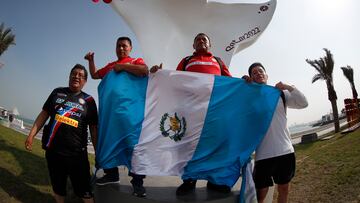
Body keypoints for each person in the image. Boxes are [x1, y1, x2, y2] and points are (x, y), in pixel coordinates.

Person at [151, 33, 232, 196]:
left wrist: (245, 81)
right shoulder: (187, 60)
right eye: (198, 40)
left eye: (204, 40)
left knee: (213, 145)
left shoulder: (218, 61)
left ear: (210, 44)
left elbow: (230, 82)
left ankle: (214, 180)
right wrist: (160, 73)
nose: (201, 41)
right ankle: (189, 180)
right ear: (193, 46)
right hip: (189, 110)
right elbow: (174, 79)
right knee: (188, 145)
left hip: (213, 110)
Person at [84, 36, 148, 197]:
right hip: (110, 116)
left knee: (133, 147)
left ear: (130, 48)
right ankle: (111, 175)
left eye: (124, 46)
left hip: (130, 116)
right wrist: (91, 60)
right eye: (118, 46)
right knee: (107, 142)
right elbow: (94, 75)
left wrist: (124, 66)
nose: (121, 48)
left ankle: (138, 183)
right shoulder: (111, 65)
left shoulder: (135, 60)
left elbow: (144, 71)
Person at [25, 64, 98, 203]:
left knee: (84, 191)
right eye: (74, 73)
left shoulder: (89, 101)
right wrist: (31, 135)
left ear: (85, 81)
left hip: (77, 155)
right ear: (69, 76)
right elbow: (44, 114)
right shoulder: (57, 92)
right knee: (58, 187)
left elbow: (93, 129)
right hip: (54, 152)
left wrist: (97, 152)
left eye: (80, 75)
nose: (76, 76)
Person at [246, 62, 308, 203]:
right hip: (263, 154)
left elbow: (303, 103)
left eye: (260, 71)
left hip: (285, 151)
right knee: (260, 195)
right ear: (251, 77)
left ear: (266, 75)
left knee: (283, 190)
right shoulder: (249, 97)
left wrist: (288, 87)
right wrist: (245, 87)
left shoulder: (280, 94)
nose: (258, 74)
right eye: (254, 73)